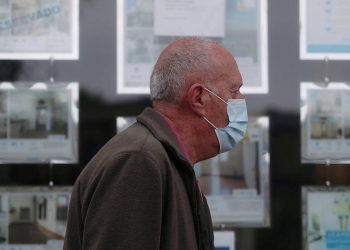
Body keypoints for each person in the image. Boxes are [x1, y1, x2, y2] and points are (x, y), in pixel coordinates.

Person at [63, 37, 248, 250]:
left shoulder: (167, 161)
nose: (241, 99)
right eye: (234, 91)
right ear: (198, 99)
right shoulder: (138, 162)